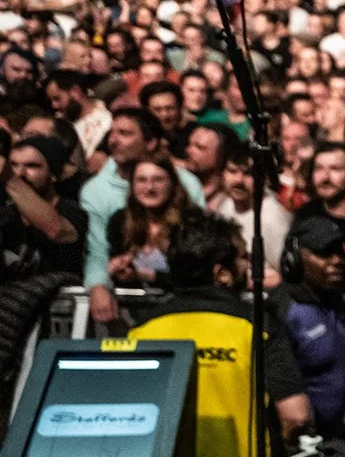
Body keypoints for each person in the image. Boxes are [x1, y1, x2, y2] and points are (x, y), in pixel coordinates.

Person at [126, 213, 311, 457]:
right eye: (244, 257)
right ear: (221, 273)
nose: (249, 266)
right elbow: (295, 416)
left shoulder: (141, 329)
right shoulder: (258, 325)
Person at [79, 109, 206, 327]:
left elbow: (198, 267)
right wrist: (102, 282)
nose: (113, 141)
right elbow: (98, 252)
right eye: (112, 133)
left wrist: (146, 274)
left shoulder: (189, 193)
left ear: (151, 142)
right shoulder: (106, 204)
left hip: (186, 310)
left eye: (125, 133)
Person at [271, 217, 345, 442]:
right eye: (325, 253)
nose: (337, 260)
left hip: (335, 435)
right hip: (300, 443)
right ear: (294, 258)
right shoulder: (281, 312)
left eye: (340, 252)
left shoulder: (334, 301)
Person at [294, 142, 345, 319]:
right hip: (321, 314)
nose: (325, 177)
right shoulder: (306, 215)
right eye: (318, 169)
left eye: (335, 169)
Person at [0, 135, 85, 280]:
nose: (20, 173)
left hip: (59, 298)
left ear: (53, 174)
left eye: (32, 166)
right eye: (13, 165)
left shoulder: (71, 210)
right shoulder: (6, 214)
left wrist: (9, 179)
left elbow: (58, 231)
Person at [105, 157, 196, 289]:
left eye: (158, 180)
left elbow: (192, 278)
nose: (149, 188)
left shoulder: (189, 223)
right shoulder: (120, 220)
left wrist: (146, 275)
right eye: (142, 180)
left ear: (172, 184)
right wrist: (119, 266)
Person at [210, 142, 293, 284]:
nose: (239, 180)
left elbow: (288, 276)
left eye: (248, 174)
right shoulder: (227, 206)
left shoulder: (271, 217)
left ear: (264, 178)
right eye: (232, 171)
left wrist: (243, 282)